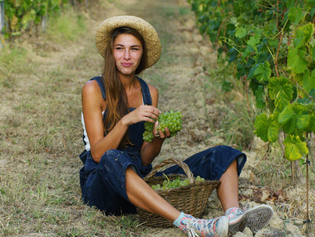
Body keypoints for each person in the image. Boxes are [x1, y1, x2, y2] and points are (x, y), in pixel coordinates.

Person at [78, 16, 274, 237]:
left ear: (142, 55)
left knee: (222, 154)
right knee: (112, 158)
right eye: (119, 48)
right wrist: (126, 120)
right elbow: (97, 153)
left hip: (139, 186)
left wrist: (158, 137)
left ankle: (234, 217)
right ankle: (189, 224)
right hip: (103, 186)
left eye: (134, 49)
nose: (126, 56)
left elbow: (143, 160)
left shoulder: (149, 93)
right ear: (110, 52)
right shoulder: (94, 89)